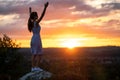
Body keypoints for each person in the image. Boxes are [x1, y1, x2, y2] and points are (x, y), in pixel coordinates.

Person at [28, 2, 49, 72]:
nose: (37, 16)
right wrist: (45, 8)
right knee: (39, 54)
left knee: (34, 54)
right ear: (35, 17)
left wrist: (30, 11)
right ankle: (36, 67)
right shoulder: (36, 23)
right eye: (36, 15)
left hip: (34, 38)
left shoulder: (31, 23)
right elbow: (42, 16)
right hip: (37, 39)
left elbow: (30, 17)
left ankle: (33, 68)